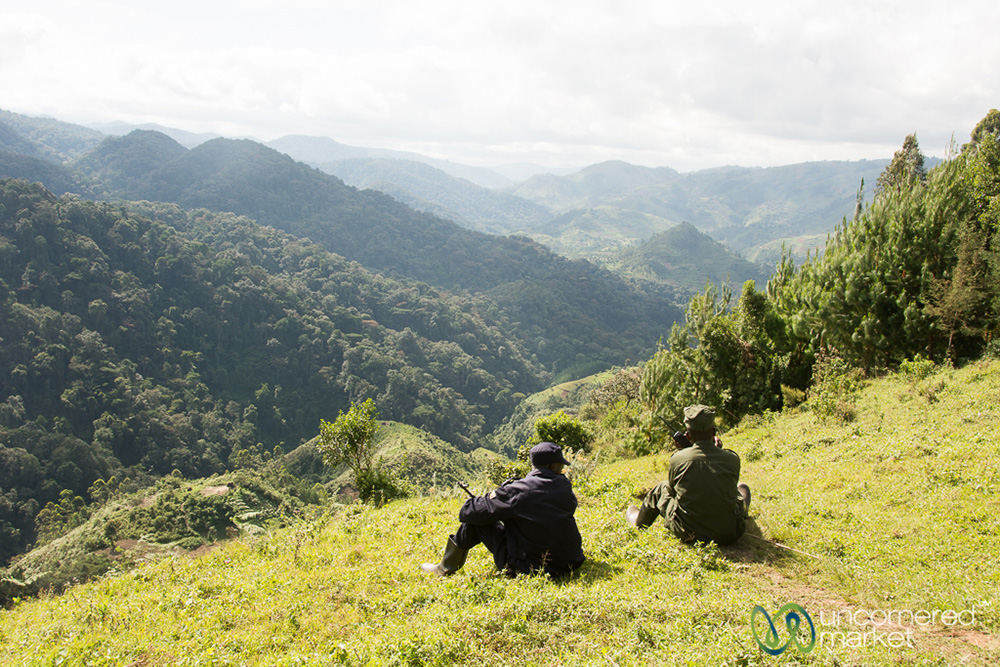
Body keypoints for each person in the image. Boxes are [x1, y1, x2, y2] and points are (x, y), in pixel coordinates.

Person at [421, 442, 586, 577]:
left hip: (531, 567)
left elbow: (467, 513)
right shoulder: (564, 485)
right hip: (571, 561)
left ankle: (445, 567)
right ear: (553, 465)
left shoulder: (518, 490)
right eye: (560, 466)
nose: (562, 469)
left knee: (474, 523)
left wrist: (493, 499)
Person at [625, 404, 751, 545]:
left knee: (661, 488)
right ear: (714, 432)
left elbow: (673, 490)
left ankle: (638, 521)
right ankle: (743, 511)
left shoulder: (678, 459)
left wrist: (683, 453)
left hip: (688, 532)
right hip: (731, 532)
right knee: (739, 490)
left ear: (688, 435)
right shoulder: (732, 458)